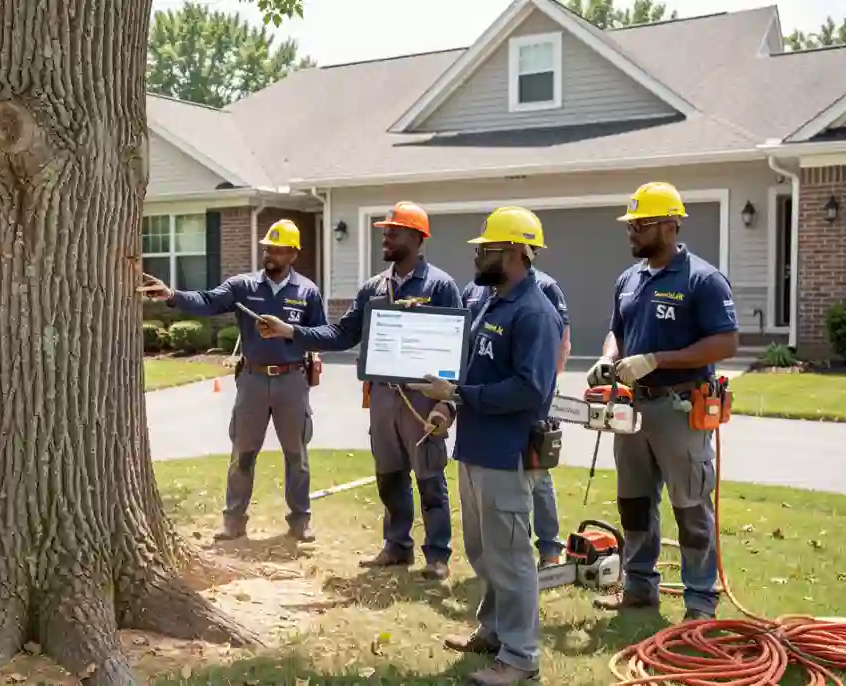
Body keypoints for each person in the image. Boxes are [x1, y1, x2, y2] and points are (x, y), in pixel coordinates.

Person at [255, 201, 462, 580]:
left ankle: (437, 555)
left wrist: (447, 406)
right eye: (384, 230)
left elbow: (456, 350)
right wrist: (290, 331)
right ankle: (396, 546)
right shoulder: (373, 289)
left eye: (394, 231)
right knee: (390, 473)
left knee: (430, 475)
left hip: (422, 397)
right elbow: (341, 334)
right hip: (383, 395)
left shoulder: (440, 286)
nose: (385, 236)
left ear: (417, 238)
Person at [408, 206, 561, 686]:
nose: (479, 256)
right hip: (474, 449)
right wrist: (447, 410)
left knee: (512, 559)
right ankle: (493, 630)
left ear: (517, 252)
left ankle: (520, 658)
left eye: (489, 249)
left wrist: (456, 395)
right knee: (483, 551)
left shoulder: (535, 312)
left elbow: (530, 390)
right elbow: (473, 375)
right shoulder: (491, 303)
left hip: (508, 453)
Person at [588, 182, 738, 622]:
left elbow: (725, 342)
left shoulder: (702, 279)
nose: (632, 232)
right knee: (634, 501)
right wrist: (609, 356)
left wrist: (657, 360)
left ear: (672, 226)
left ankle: (700, 601)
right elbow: (616, 329)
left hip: (679, 406)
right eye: (631, 224)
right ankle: (638, 586)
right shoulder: (629, 279)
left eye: (642, 224)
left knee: (690, 505)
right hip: (631, 408)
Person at [138, 219, 325, 543]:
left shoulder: (307, 292)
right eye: (268, 248)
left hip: (291, 380)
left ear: (293, 254)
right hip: (252, 380)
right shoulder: (243, 286)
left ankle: (300, 521)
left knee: (297, 454)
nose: (270, 255)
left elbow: (320, 334)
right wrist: (172, 295)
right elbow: (208, 300)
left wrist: (291, 334)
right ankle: (233, 521)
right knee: (243, 452)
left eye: (278, 250)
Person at [463, 255, 571, 568]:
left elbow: (560, 343)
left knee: (538, 475)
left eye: (487, 248)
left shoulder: (542, 293)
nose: (478, 255)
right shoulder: (479, 291)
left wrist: (546, 390)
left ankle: (549, 548)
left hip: (523, 412)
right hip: (481, 417)